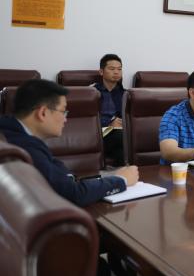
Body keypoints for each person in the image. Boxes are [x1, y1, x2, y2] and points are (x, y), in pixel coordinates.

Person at [0, 79, 138, 206]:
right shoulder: (23, 147)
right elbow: (73, 194)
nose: (65, 119)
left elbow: (60, 173)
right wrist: (121, 180)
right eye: (63, 112)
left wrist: (108, 178)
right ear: (43, 113)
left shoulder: (13, 133)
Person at [93, 53, 125, 165]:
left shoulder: (125, 94)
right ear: (101, 72)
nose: (116, 72)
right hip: (100, 134)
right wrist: (110, 123)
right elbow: (88, 119)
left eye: (119, 69)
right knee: (122, 138)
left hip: (120, 133)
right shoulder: (92, 93)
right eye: (112, 69)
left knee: (122, 152)